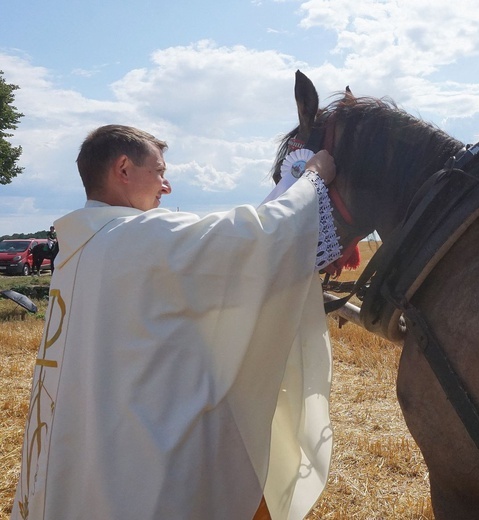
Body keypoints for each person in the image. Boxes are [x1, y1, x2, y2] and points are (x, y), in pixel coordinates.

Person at [12, 125, 342, 520]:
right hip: (142, 457)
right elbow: (258, 237)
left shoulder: (82, 244)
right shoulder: (138, 236)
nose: (165, 187)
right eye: (159, 171)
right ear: (123, 168)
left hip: (92, 438)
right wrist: (312, 180)